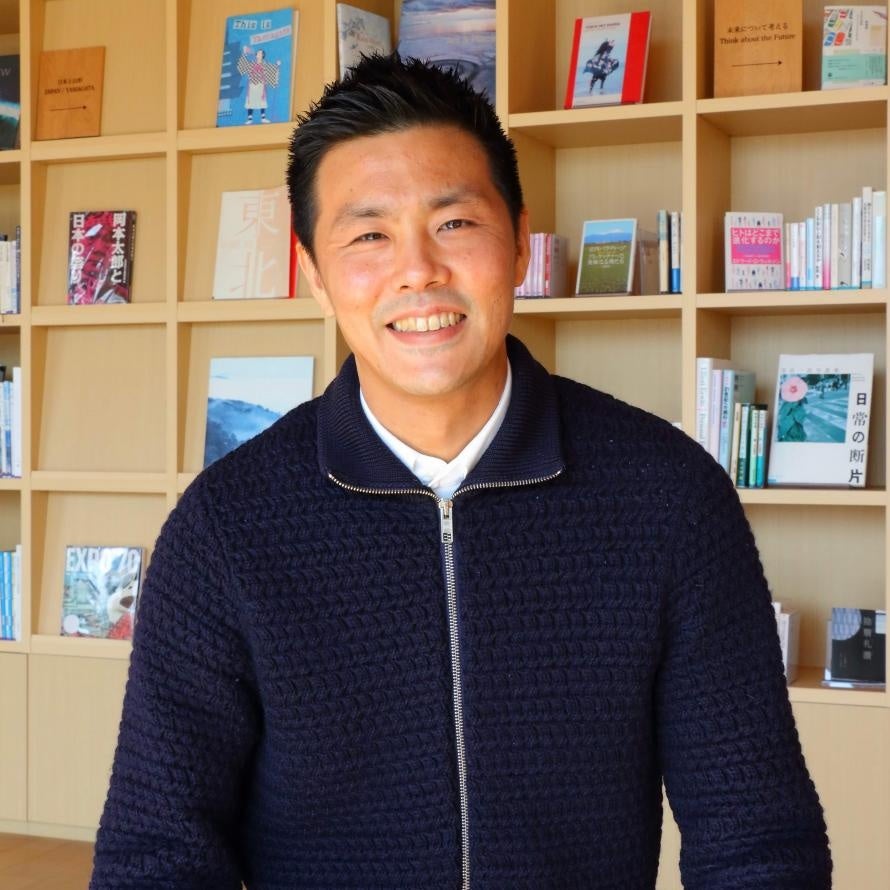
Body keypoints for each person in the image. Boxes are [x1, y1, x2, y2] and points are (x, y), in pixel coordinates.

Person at [90, 53, 832, 888]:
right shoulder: (226, 528)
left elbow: (755, 836)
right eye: (369, 235)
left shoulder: (668, 497)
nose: (419, 270)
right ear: (315, 275)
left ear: (519, 242)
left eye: (454, 223)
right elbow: (157, 849)